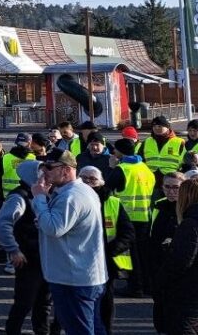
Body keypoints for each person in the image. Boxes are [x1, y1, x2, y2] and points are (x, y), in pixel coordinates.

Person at [31, 147, 107, 335]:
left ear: (65, 169)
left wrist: (39, 198)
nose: (44, 173)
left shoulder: (72, 196)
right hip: (80, 275)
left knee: (80, 330)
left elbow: (54, 228)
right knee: (93, 328)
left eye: (49, 167)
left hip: (74, 278)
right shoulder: (75, 192)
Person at [0, 160, 51, 335]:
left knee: (44, 305)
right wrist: (13, 250)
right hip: (28, 259)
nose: (47, 175)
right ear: (32, 175)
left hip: (45, 258)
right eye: (43, 172)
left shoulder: (44, 194)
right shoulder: (19, 197)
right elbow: (2, 223)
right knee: (24, 303)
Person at [78, 165, 132, 334]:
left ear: (101, 181)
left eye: (92, 178)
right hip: (78, 259)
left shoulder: (113, 202)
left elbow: (128, 233)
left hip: (106, 261)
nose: (88, 181)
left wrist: (110, 250)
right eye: (84, 178)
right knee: (75, 300)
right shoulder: (71, 198)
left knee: (104, 302)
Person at [111, 137, 154, 296]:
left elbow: (108, 189)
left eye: (115, 149)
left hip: (126, 216)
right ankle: (146, 285)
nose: (114, 152)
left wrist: (111, 168)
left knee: (132, 255)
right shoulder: (144, 167)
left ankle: (136, 287)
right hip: (145, 215)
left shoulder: (121, 169)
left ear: (120, 151)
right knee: (143, 253)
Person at [158, 178, 198, 335]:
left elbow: (182, 260)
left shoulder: (190, 224)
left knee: (183, 326)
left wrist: (161, 281)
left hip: (189, 289)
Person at [149, 171, 186, 332]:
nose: (171, 191)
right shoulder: (159, 205)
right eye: (167, 187)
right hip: (159, 264)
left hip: (179, 268)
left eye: (175, 188)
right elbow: (153, 234)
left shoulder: (188, 209)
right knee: (160, 305)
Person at [138, 115, 186, 192]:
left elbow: (185, 162)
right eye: (154, 126)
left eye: (159, 126)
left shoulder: (179, 142)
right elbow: (140, 160)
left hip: (173, 181)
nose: (156, 128)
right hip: (151, 180)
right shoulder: (146, 142)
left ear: (167, 127)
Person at [1, 133, 36, 198]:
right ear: (29, 143)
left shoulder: (5, 157)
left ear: (16, 143)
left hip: (8, 196)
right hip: (28, 196)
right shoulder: (34, 158)